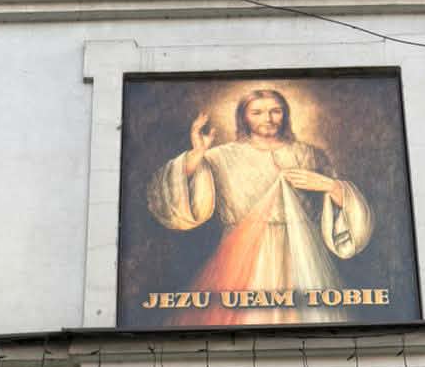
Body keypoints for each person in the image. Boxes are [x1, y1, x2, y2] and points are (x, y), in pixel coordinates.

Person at [146, 87, 373, 324]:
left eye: (276, 111)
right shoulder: (221, 156)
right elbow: (170, 196)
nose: (268, 118)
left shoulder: (310, 155)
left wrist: (332, 187)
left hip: (303, 254)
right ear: (243, 117)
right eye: (257, 112)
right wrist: (196, 154)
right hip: (240, 254)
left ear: (285, 114)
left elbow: (338, 209)